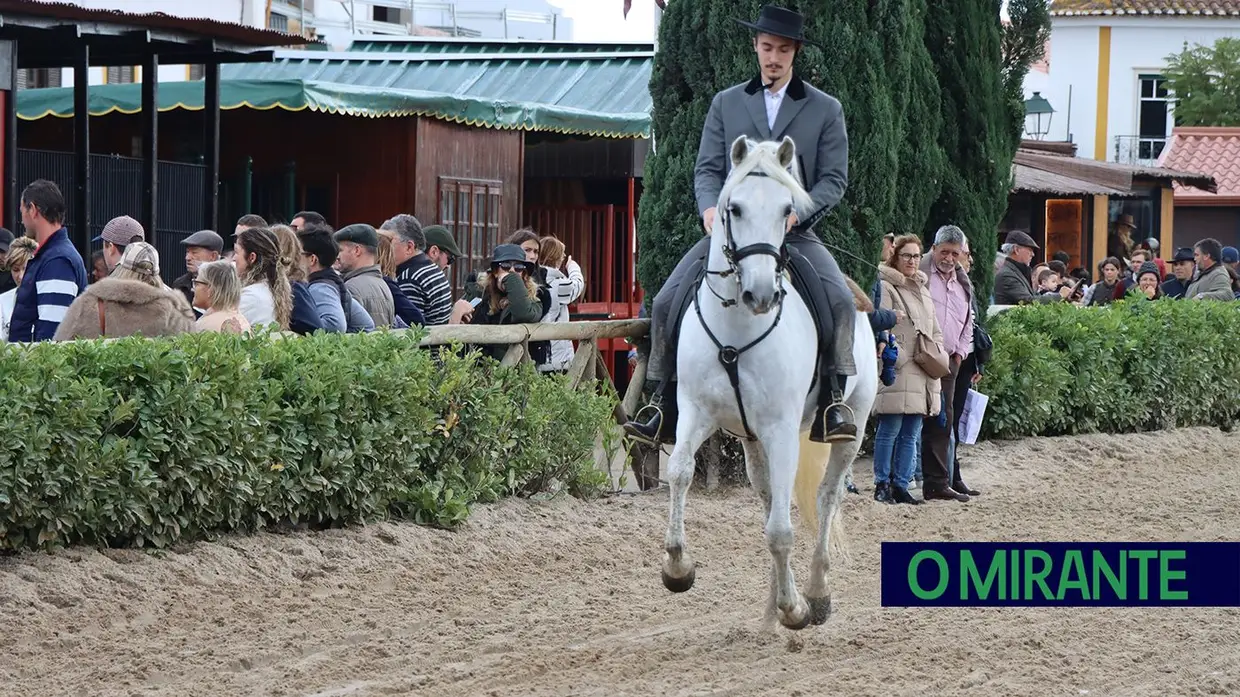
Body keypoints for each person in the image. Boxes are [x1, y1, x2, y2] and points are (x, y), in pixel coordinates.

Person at [626, 5, 856, 447]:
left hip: (792, 232)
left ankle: (833, 400)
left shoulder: (825, 109)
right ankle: (660, 401)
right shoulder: (727, 103)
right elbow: (707, 169)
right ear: (755, 46)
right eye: (767, 47)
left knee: (841, 302)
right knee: (664, 303)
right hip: (731, 233)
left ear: (796, 52)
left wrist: (796, 214)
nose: (773, 57)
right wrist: (710, 209)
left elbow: (834, 180)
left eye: (783, 50)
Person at [872, 235, 944, 505]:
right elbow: (882, 326)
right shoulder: (886, 286)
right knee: (890, 427)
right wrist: (899, 357)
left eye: (916, 256)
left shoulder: (923, 290)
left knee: (911, 430)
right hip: (899, 365)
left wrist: (936, 352)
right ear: (895, 257)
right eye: (907, 256)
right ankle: (882, 483)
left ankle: (902, 484)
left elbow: (935, 328)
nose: (912, 261)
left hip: (924, 366)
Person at [53, 242, 195, 341]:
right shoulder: (171, 311)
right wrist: (181, 303)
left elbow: (59, 348)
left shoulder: (89, 303)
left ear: (121, 267)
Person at [8, 180, 88, 342]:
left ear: (33, 210)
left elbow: (51, 336)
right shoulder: (54, 256)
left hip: (41, 364)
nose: (22, 220)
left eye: (22, 211)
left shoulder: (57, 260)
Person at [468, 244, 551, 364]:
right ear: (495, 271)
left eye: (518, 267)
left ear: (524, 273)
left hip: (518, 372)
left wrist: (511, 280)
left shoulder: (536, 297)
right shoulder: (479, 294)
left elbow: (524, 314)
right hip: (479, 370)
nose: (512, 270)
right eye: (506, 266)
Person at [193, 259, 252, 334]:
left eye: (197, 283)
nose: (193, 288)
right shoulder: (243, 322)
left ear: (210, 289)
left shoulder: (204, 326)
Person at [172, 229, 225, 311]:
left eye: (194, 253)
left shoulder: (227, 286)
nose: (187, 258)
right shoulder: (180, 285)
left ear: (213, 256)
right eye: (187, 252)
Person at [0, 237, 37, 341]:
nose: (20, 276)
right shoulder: (2, 301)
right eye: (15, 270)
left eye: (25, 269)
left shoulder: (46, 299)